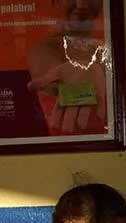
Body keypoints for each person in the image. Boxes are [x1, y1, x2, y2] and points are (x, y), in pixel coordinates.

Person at [26, 0, 108, 134]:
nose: (81, 4)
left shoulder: (105, 47)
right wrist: (82, 77)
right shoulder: (44, 50)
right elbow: (49, 72)